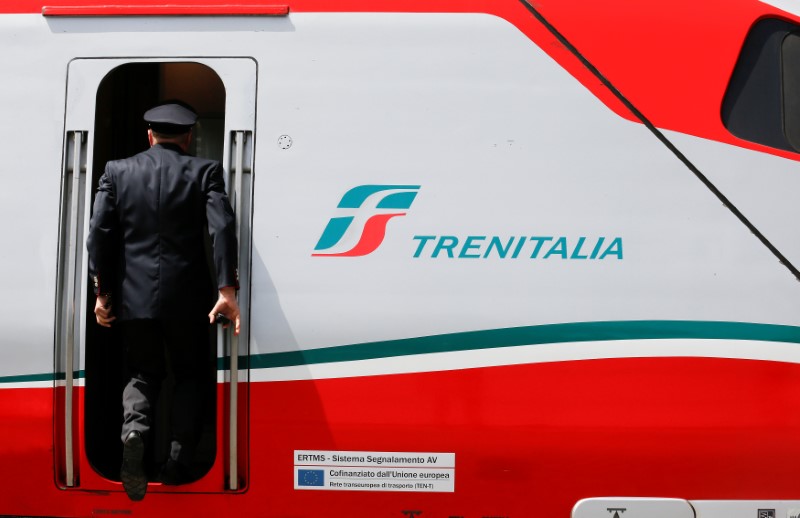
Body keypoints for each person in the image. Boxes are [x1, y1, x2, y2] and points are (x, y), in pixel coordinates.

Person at [86, 101, 241, 501]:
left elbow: (98, 234)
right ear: (188, 138)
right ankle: (177, 462)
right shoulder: (205, 171)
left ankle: (135, 431)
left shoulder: (116, 171)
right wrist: (227, 291)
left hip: (133, 297)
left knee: (142, 373)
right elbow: (221, 228)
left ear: (149, 135)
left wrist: (103, 293)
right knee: (189, 375)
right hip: (188, 299)